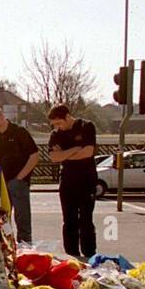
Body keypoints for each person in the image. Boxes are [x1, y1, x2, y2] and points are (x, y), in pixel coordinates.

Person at [47, 104, 97, 259]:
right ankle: (71, 254)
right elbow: (54, 157)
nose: (57, 127)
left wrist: (64, 154)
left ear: (68, 117)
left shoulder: (86, 126)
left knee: (86, 218)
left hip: (86, 179)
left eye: (59, 123)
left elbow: (88, 152)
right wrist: (75, 149)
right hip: (67, 180)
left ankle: (89, 253)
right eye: (54, 125)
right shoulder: (56, 135)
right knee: (69, 219)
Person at [0, 106, 39, 243]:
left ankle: (25, 246)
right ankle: (6, 246)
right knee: (1, 218)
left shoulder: (19, 132)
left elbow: (34, 156)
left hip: (18, 181)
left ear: (1, 117)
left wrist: (20, 177)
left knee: (22, 217)